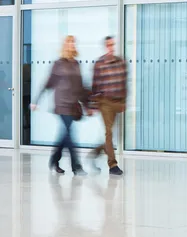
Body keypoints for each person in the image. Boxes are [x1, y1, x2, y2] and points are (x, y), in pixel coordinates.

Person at [30, 35, 89, 176]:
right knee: (70, 134)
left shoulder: (76, 64)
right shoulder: (58, 64)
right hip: (61, 104)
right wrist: (36, 101)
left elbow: (80, 87)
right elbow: (48, 83)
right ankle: (76, 167)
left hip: (73, 105)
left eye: (73, 42)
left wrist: (88, 104)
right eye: (69, 42)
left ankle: (54, 159)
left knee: (64, 135)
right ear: (65, 45)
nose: (72, 45)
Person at [89, 36, 127, 176]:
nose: (111, 47)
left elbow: (124, 83)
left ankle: (96, 151)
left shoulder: (121, 62)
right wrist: (93, 106)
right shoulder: (100, 63)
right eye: (109, 45)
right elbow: (95, 85)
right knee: (109, 133)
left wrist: (123, 102)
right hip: (105, 102)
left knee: (115, 135)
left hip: (118, 102)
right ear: (105, 47)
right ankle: (113, 165)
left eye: (113, 45)